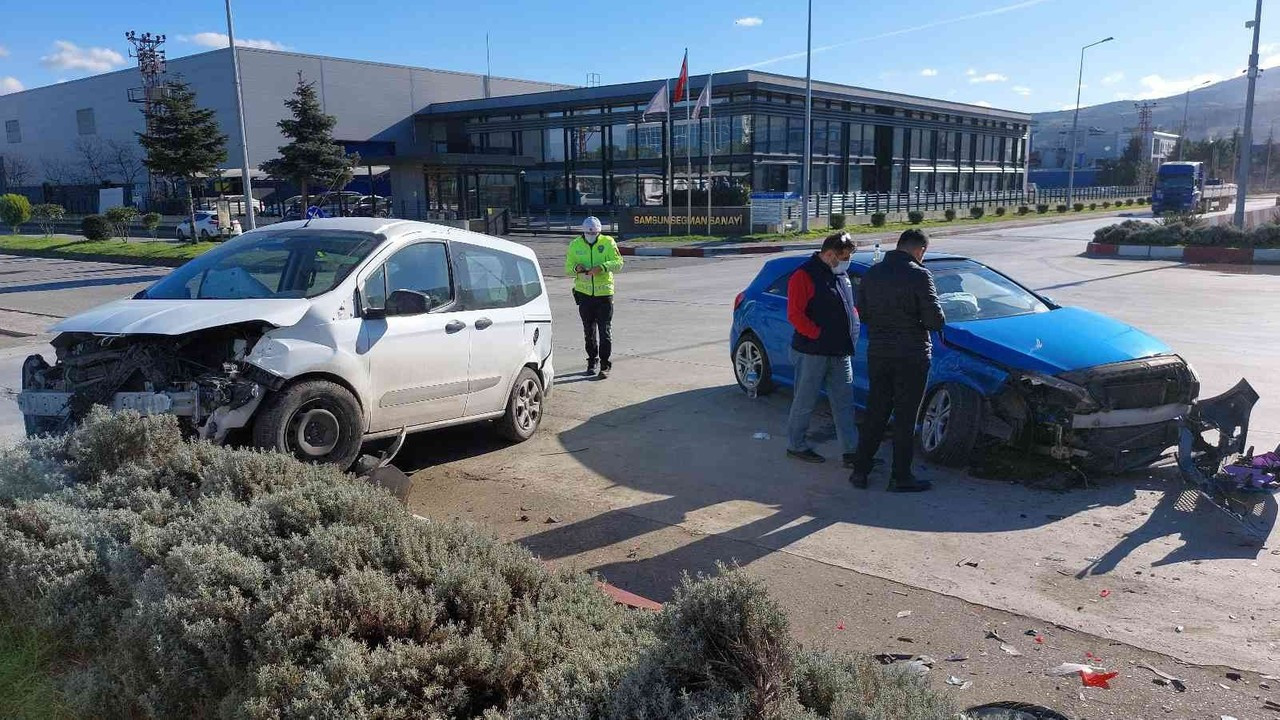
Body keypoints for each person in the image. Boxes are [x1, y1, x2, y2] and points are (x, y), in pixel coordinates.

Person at [849, 229, 945, 492]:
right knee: (905, 416)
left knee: (876, 411)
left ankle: (860, 470)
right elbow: (935, 320)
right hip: (911, 355)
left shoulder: (872, 273)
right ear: (919, 250)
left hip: (879, 353)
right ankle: (900, 476)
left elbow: (864, 314)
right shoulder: (920, 275)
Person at [785, 232, 860, 466]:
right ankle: (795, 445)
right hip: (812, 352)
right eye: (842, 257)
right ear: (829, 254)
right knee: (804, 402)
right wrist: (818, 335)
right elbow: (795, 315)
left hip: (840, 351)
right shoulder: (803, 275)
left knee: (844, 404)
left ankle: (851, 452)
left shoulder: (839, 274)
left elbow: (849, 307)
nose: (846, 261)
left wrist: (852, 329)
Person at [564, 216, 624, 379]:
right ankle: (592, 361)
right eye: (589, 234)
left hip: (604, 294)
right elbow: (568, 268)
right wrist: (577, 268)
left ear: (599, 232)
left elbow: (619, 263)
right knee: (588, 330)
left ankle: (605, 364)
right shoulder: (575, 245)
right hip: (584, 294)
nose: (592, 236)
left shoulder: (608, 242)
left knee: (604, 330)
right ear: (583, 232)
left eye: (595, 234)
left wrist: (602, 267)